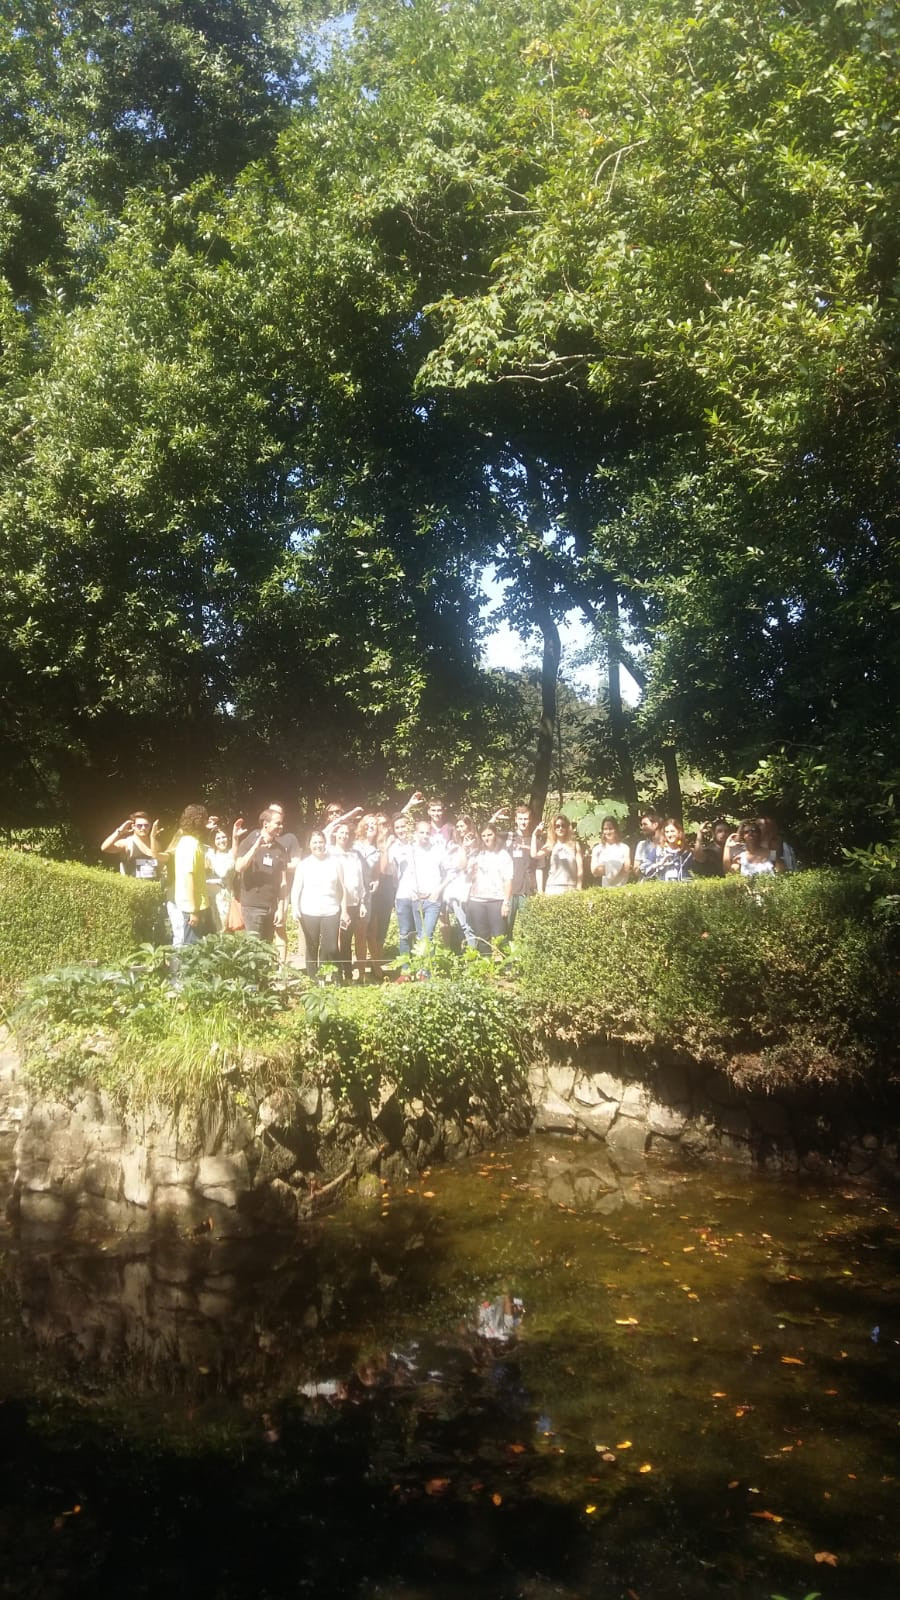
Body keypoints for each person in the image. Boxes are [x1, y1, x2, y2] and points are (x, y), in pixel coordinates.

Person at [290, 831, 346, 977]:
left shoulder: (335, 863)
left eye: (320, 842)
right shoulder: (303, 865)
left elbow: (342, 888)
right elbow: (296, 888)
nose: (318, 845)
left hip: (331, 910)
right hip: (309, 911)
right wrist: (295, 908)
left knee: (331, 947)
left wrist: (343, 909)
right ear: (309, 845)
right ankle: (314, 979)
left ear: (325, 843)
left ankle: (332, 975)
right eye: (314, 842)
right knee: (312, 946)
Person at [234, 807, 288, 941]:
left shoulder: (280, 849)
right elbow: (239, 867)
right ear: (265, 824)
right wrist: (255, 848)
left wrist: (280, 909)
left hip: (271, 908)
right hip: (253, 907)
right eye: (278, 823)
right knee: (254, 951)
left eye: (281, 823)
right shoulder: (249, 840)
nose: (281, 826)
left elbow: (283, 882)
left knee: (267, 952)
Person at [466, 824, 513, 954]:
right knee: (482, 936)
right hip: (477, 900)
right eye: (484, 835)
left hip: (496, 900)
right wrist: (467, 848)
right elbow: (465, 870)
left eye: (489, 835)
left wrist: (506, 903)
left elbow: (508, 880)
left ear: (495, 835)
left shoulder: (503, 855)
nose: (487, 838)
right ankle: (485, 966)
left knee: (500, 936)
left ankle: (507, 966)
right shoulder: (476, 854)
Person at [332, 821, 369, 982]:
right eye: (341, 832)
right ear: (334, 834)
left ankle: (349, 975)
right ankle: (340, 973)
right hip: (336, 904)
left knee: (350, 939)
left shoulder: (354, 855)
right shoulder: (329, 853)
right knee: (340, 940)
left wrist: (362, 902)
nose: (344, 836)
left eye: (347, 833)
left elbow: (359, 879)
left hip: (354, 902)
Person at [172, 804, 210, 945]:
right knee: (192, 949)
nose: (206, 823)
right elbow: (189, 877)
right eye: (204, 820)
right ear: (199, 821)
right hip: (193, 906)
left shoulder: (183, 841)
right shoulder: (192, 844)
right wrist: (194, 910)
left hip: (188, 904)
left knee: (192, 946)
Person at [506, 804, 542, 933]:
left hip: (527, 891)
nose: (523, 822)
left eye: (526, 819)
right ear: (515, 819)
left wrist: (540, 891)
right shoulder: (509, 839)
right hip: (510, 890)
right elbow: (486, 833)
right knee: (505, 928)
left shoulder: (536, 841)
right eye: (520, 819)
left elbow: (540, 867)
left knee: (528, 929)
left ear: (530, 819)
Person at [100, 811, 163, 881]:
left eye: (146, 825)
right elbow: (105, 848)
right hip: (133, 888)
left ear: (150, 826)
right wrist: (119, 831)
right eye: (139, 825)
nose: (143, 828)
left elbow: (161, 865)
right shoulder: (127, 842)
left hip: (154, 888)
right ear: (133, 827)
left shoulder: (155, 844)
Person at [536, 815, 583, 895]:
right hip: (553, 887)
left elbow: (580, 868)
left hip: (571, 887)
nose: (560, 828)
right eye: (557, 826)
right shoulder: (550, 844)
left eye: (563, 826)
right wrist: (534, 835)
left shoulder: (575, 845)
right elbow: (535, 855)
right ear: (553, 828)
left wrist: (579, 887)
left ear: (567, 827)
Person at [205, 824, 234, 932]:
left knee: (226, 927)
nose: (221, 840)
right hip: (211, 897)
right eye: (218, 838)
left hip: (227, 896)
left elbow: (223, 873)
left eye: (224, 837)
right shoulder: (209, 854)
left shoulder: (231, 854)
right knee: (213, 929)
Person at [589, 817, 631, 888]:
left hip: (621, 887)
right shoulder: (597, 849)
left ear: (616, 830)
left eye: (611, 829)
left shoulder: (624, 848)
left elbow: (626, 869)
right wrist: (618, 866)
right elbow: (594, 871)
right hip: (603, 888)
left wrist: (604, 868)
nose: (608, 832)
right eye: (605, 829)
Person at [632, 812, 661, 878]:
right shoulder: (641, 845)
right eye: (641, 825)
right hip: (645, 884)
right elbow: (636, 869)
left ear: (655, 825)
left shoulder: (665, 845)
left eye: (645, 824)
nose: (642, 827)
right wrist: (644, 869)